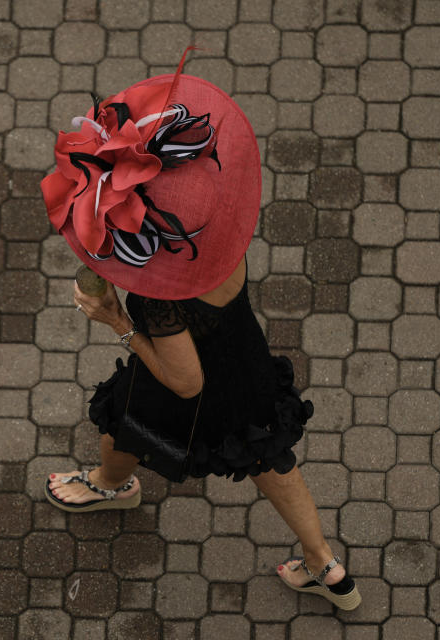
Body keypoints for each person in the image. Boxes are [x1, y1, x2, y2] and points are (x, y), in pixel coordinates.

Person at [38, 48, 361, 611]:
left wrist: (117, 321)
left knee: (123, 417)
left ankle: (111, 487)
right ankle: (326, 567)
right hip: (245, 361)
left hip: (192, 381)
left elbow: (184, 381)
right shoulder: (219, 240)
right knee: (272, 461)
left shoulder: (162, 302)